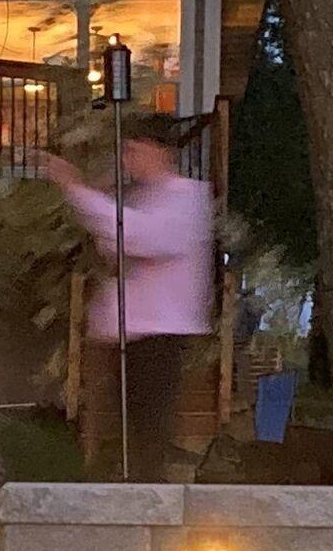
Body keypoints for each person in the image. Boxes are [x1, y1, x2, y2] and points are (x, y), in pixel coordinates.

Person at [29, 115, 213, 481]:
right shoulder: (141, 197)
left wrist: (77, 189)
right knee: (118, 433)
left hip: (161, 334)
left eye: (133, 150)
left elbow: (138, 237)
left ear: (159, 151)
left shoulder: (187, 197)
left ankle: (148, 501)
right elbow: (114, 244)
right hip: (124, 334)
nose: (128, 159)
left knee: (147, 432)